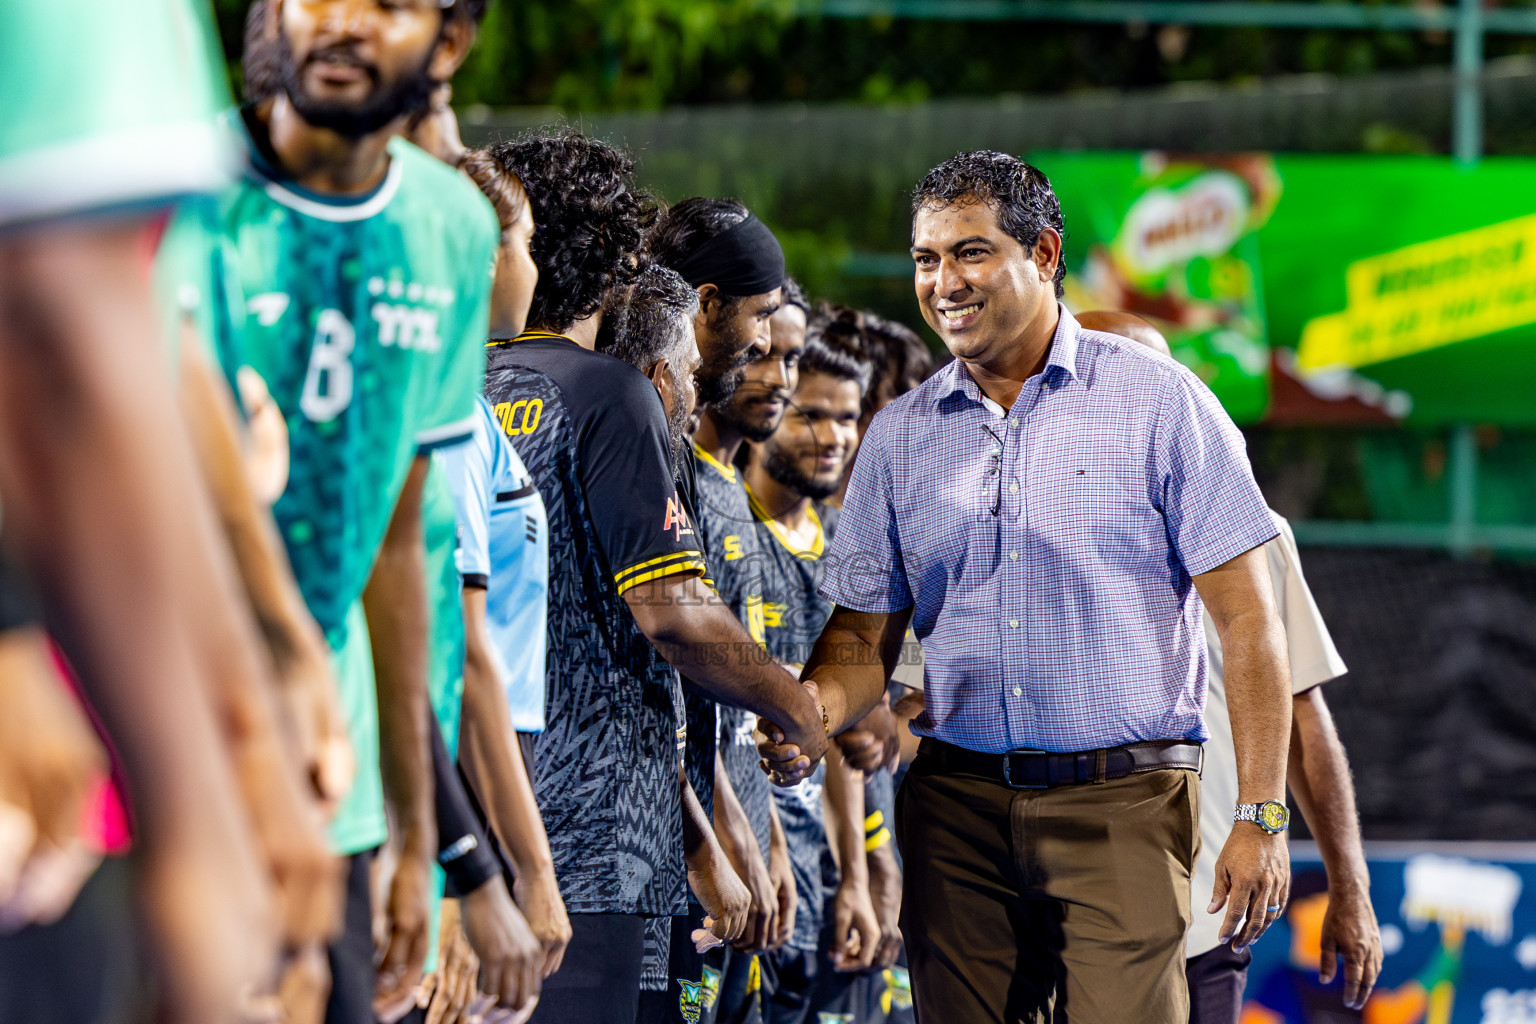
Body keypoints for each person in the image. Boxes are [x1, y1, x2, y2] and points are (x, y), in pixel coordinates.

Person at [760, 151, 1294, 1022]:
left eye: (970, 252)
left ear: (1044, 254)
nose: (942, 283)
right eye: (926, 259)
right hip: (956, 811)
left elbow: (1249, 622)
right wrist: (814, 712)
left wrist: (1263, 817)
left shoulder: (1165, 404)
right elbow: (863, 636)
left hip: (1124, 802)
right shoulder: (897, 438)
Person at [169, 0, 510, 1019]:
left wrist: (417, 834)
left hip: (338, 779)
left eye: (391, 2)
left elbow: (400, 541)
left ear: (448, 43)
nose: (345, 21)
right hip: (160, 741)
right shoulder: (174, 190)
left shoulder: (452, 229)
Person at [479, 130, 822, 1024]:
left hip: (487, 826)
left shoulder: (465, 386)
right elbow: (674, 617)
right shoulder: (606, 393)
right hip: (596, 849)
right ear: (608, 257)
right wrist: (795, 702)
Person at [1077, 310, 1384, 1020]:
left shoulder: (1253, 529)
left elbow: (1306, 718)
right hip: (1048, 909)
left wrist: (1350, 881)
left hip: (1201, 912)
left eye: (1161, 383)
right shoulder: (1002, 519)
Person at [735, 331, 882, 1024]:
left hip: (818, 874)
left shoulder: (854, 544)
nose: (835, 437)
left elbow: (865, 730)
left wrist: (861, 870)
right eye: (812, 415)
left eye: (849, 419)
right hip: (737, 862)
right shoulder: (722, 523)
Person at [690, 279, 814, 1024]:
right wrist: (728, 831)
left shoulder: (731, 488)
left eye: (791, 357)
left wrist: (770, 838)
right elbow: (671, 690)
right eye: (764, 345)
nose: (776, 373)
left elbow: (741, 713)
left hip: (748, 848)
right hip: (694, 851)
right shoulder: (676, 480)